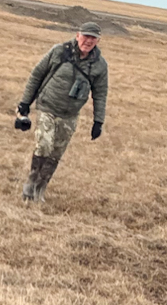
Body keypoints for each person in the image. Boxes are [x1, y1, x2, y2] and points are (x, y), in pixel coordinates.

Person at [14, 20, 109, 203]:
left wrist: (98, 121)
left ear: (98, 41)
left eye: (93, 38)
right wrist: (25, 103)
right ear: (77, 35)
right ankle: (30, 185)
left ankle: (40, 190)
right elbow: (37, 75)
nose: (88, 41)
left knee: (56, 153)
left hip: (70, 115)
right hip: (47, 107)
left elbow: (100, 94)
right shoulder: (59, 51)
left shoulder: (100, 65)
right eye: (85, 36)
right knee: (44, 145)